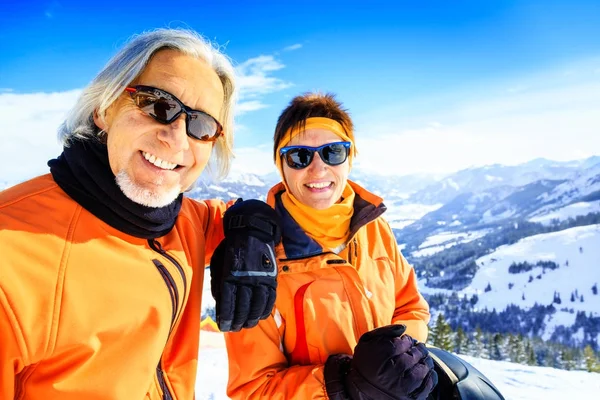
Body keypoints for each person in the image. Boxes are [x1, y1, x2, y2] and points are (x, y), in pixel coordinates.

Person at [0, 28, 278, 399]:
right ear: (103, 109)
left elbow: (235, 213)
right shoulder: (11, 254)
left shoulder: (185, 220)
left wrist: (251, 229)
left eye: (201, 125)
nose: (177, 138)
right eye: (158, 105)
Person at [220, 93, 437, 399]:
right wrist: (342, 384)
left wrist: (402, 359)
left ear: (351, 157)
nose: (318, 169)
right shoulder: (257, 260)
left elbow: (410, 306)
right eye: (299, 156)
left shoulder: (374, 227)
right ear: (281, 164)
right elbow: (253, 388)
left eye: (333, 152)